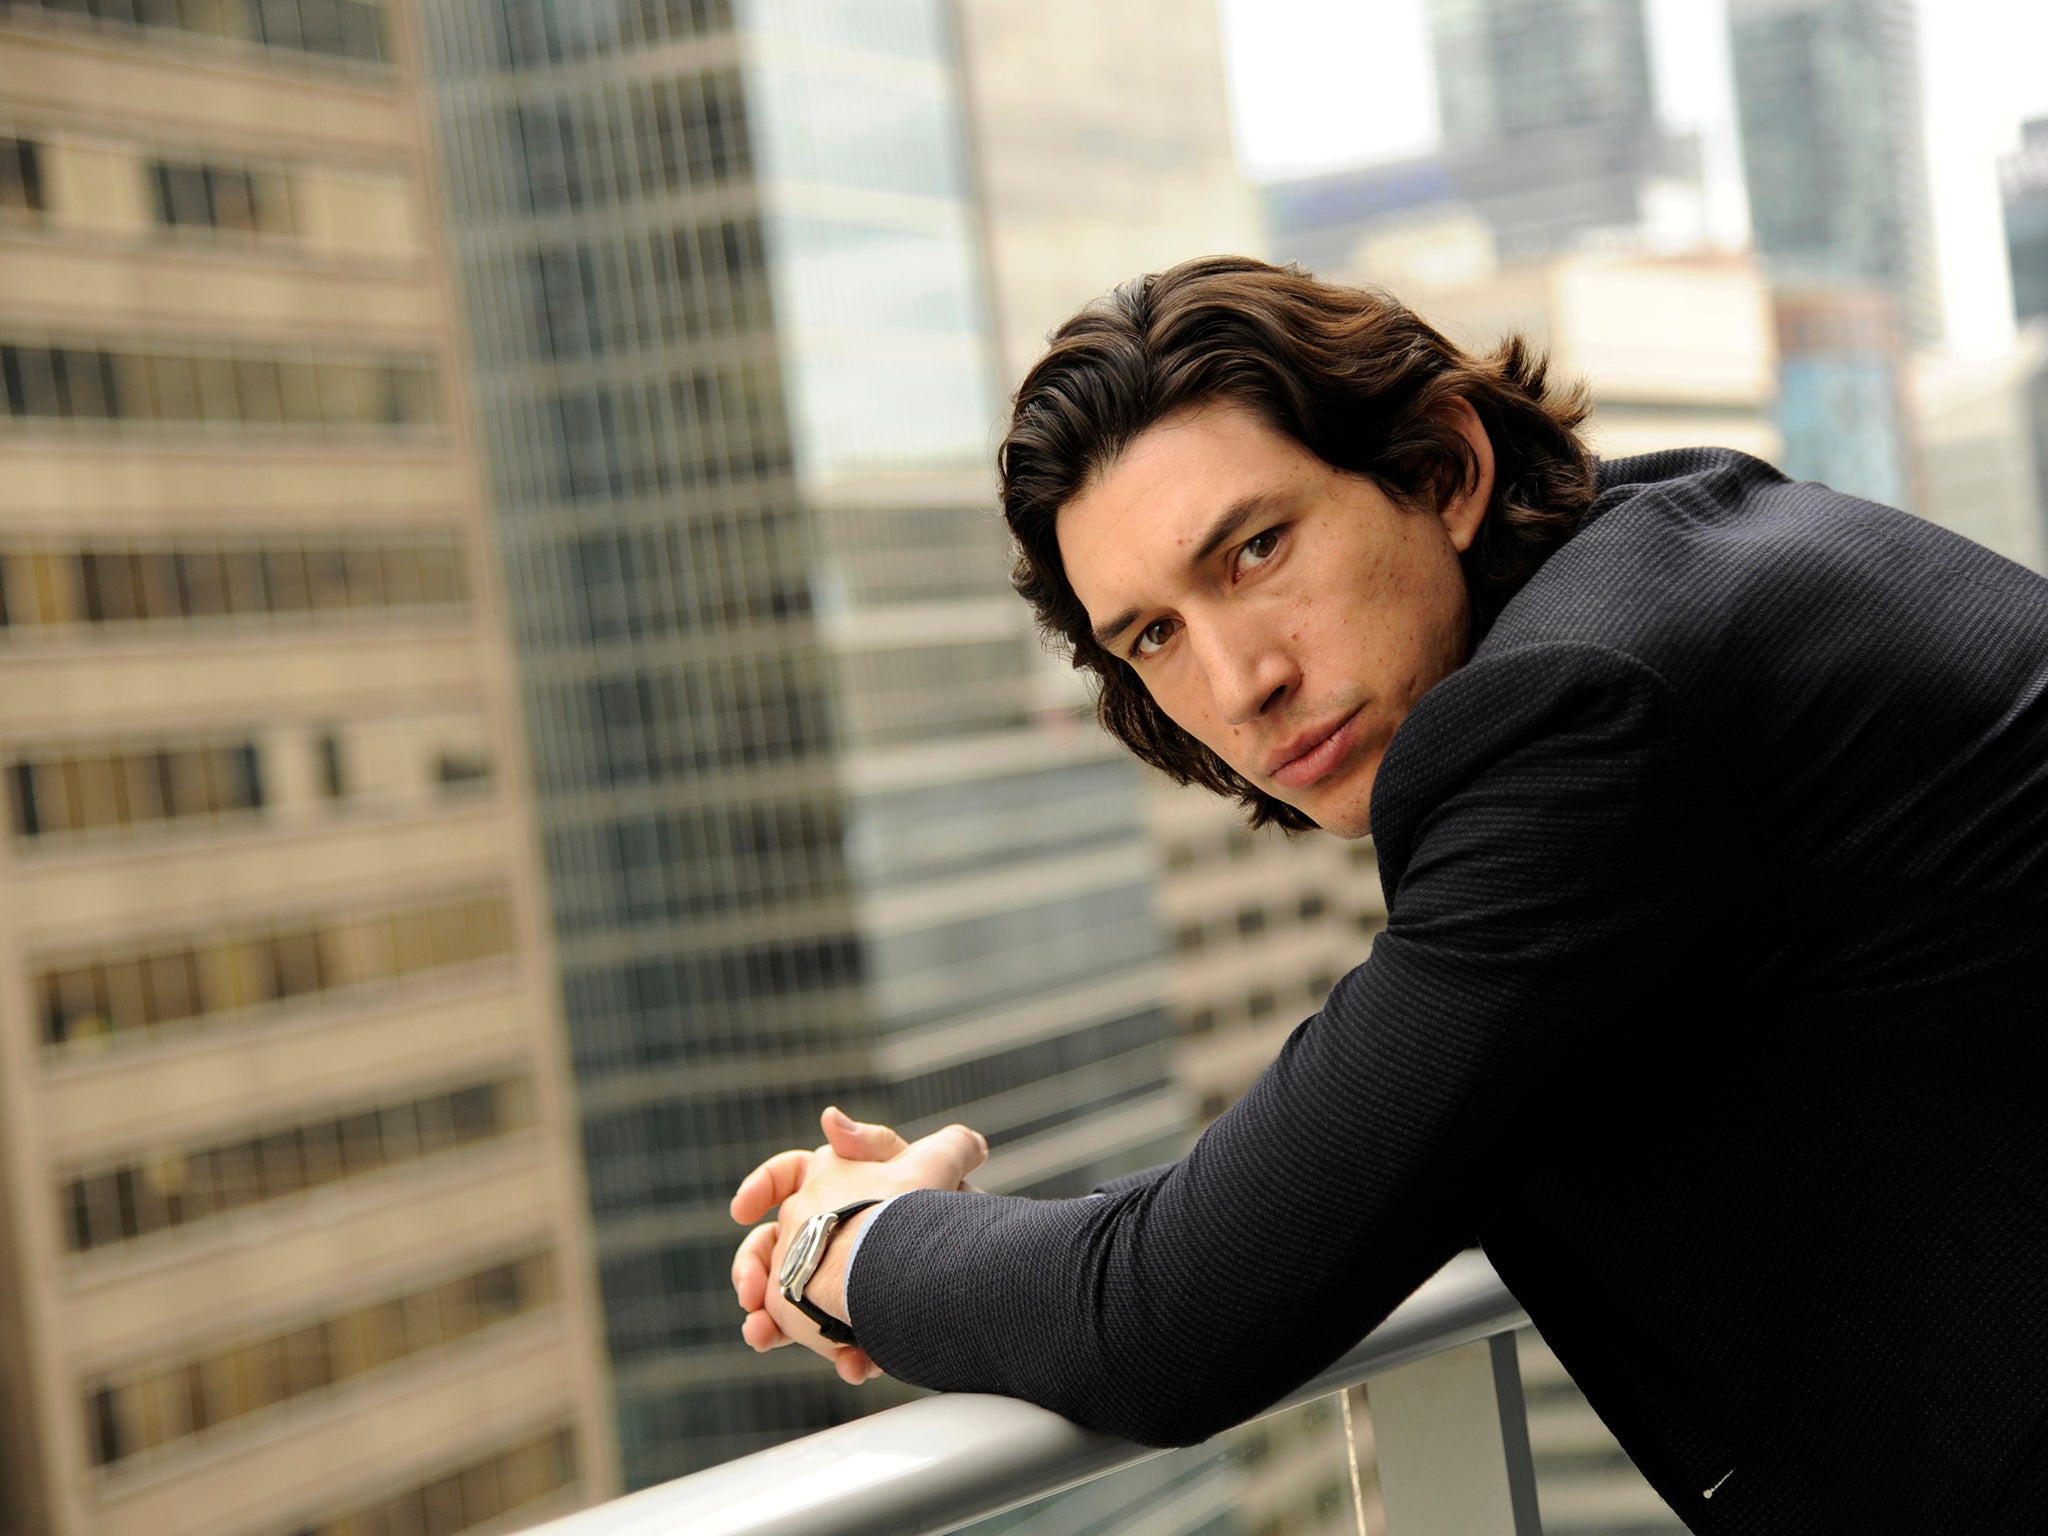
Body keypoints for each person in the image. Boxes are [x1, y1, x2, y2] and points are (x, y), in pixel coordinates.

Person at [729, 257, 2048, 1533]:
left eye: (1252, 553)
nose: (1239, 680)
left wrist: (846, 1250)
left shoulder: (1590, 717)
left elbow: (1172, 1321)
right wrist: (968, 1234)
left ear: (1441, 470)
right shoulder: (1652, 575)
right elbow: (1370, 1145)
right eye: (1155, 635)